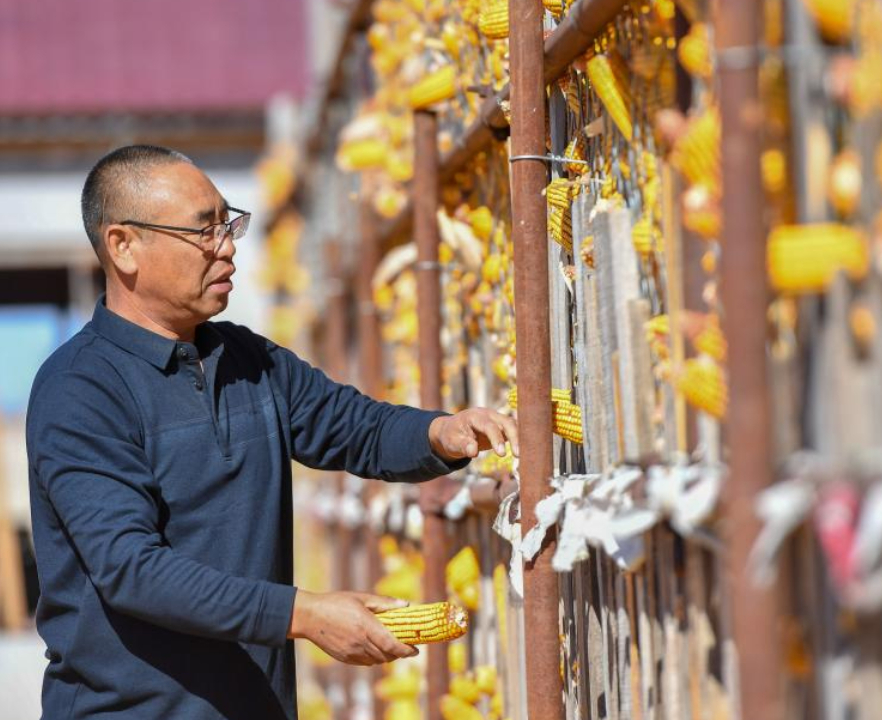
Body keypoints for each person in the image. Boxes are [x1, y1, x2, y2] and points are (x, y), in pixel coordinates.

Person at [26, 145, 519, 719]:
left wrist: (442, 432)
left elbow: (354, 426)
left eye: (228, 223)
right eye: (203, 231)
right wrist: (305, 615)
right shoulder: (80, 389)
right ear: (124, 246)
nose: (229, 246)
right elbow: (131, 569)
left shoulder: (248, 359)